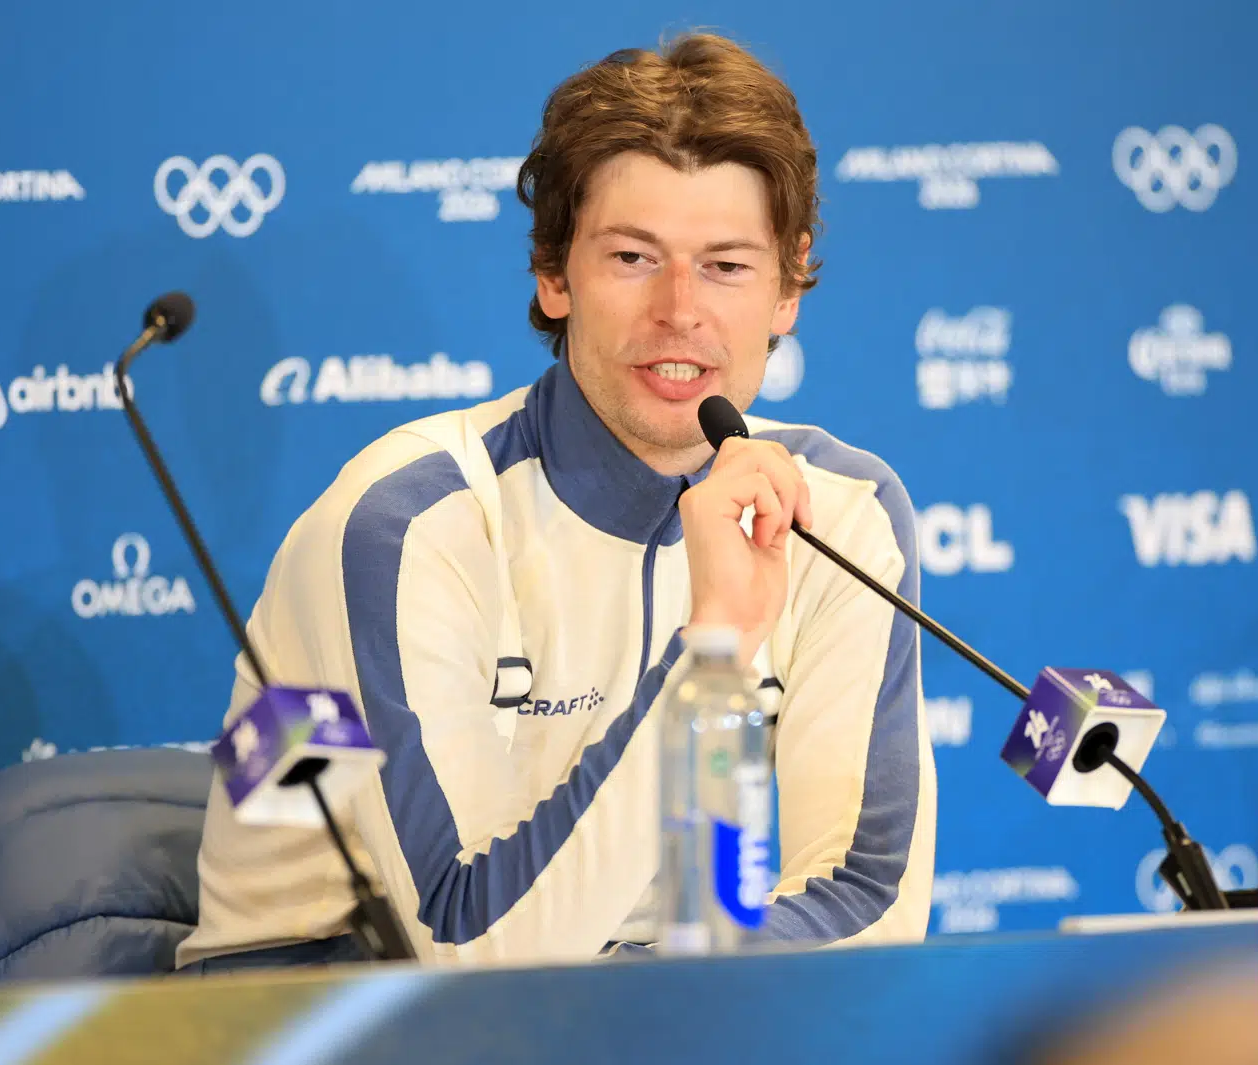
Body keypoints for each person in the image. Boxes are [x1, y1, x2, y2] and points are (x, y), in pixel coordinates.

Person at [176, 32, 935, 971]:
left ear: (787, 290)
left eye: (729, 265)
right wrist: (717, 647)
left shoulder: (841, 515)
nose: (681, 309)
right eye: (631, 257)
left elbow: (867, 904)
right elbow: (469, 953)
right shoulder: (406, 523)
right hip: (326, 1014)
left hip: (643, 1013)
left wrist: (669, 976)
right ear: (553, 274)